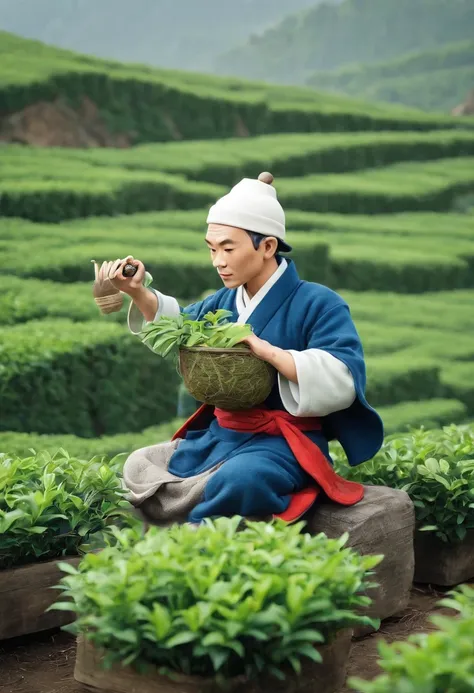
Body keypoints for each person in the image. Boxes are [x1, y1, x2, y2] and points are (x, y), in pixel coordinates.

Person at [104, 172, 384, 525]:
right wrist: (138, 292)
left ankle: (193, 542)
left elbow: (343, 376)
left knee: (241, 479)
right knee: (139, 464)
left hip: (285, 443)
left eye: (228, 248)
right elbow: (179, 329)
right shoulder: (222, 301)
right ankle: (202, 504)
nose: (218, 261)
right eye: (211, 249)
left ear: (267, 246)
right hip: (221, 435)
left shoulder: (320, 303)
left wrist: (269, 352)